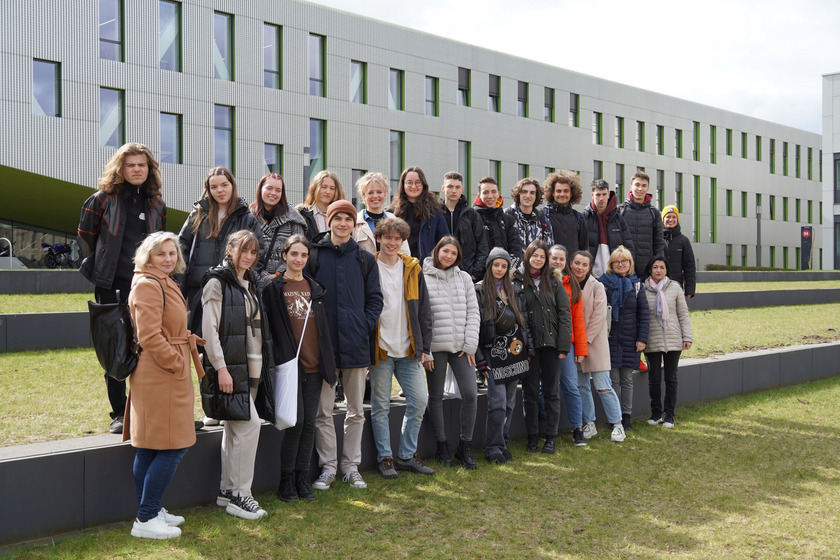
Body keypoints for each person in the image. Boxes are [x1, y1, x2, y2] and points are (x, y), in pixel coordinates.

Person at [78, 142, 167, 434]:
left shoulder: (157, 204)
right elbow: (86, 237)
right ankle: (119, 413)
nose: (137, 170)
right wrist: (102, 266)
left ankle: (149, 409)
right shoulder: (101, 200)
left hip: (148, 286)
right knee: (115, 348)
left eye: (142, 165)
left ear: (149, 169)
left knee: (149, 347)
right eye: (131, 165)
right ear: (121, 168)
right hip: (111, 286)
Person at [125, 232, 203, 539]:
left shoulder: (162, 281)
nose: (168, 258)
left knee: (150, 446)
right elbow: (149, 335)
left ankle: (151, 508)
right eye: (161, 254)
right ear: (148, 256)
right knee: (175, 444)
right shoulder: (147, 284)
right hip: (160, 372)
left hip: (164, 370)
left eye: (172, 253)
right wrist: (177, 361)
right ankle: (146, 518)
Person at [309, 200, 383, 491]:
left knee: (355, 410)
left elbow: (375, 299)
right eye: (336, 218)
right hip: (323, 346)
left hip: (355, 344)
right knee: (323, 411)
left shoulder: (365, 259)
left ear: (355, 224)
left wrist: (362, 325)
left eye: (347, 219)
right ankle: (327, 467)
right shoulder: (314, 255)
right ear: (328, 221)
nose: (342, 223)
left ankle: (350, 466)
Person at [199, 230, 269, 520]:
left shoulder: (249, 282)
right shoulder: (217, 283)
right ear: (230, 249)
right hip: (231, 369)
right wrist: (222, 369)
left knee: (235, 428)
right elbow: (209, 331)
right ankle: (242, 495)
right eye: (244, 251)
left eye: (253, 252)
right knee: (249, 426)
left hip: (249, 366)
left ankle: (227, 490)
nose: (249, 257)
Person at [263, 235, 336, 503]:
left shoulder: (315, 287)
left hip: (315, 365)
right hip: (290, 367)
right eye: (294, 254)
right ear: (284, 256)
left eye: (304, 255)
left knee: (309, 426)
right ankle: (285, 483)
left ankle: (301, 480)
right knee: (296, 423)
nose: (299, 259)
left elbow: (324, 330)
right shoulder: (274, 288)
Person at [369, 217, 434, 479]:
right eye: (388, 238)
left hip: (409, 349)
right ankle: (385, 458)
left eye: (397, 239)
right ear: (379, 238)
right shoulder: (368, 266)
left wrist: (424, 346)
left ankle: (407, 455)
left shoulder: (412, 268)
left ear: (403, 241)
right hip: (380, 349)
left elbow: (425, 311)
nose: (392, 243)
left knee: (419, 401)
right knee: (380, 407)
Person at [423, 236, 480, 469]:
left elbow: (473, 312)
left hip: (460, 349)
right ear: (437, 251)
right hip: (435, 349)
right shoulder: (422, 277)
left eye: (453, 253)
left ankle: (465, 447)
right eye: (445, 251)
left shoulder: (464, 278)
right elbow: (421, 316)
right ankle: (441, 446)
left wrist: (470, 345)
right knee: (435, 397)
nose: (449, 256)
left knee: (471, 393)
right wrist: (425, 351)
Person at [514, 241, 573, 453]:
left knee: (551, 392)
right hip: (528, 346)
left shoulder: (554, 282)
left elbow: (565, 315)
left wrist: (563, 346)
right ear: (527, 256)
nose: (538, 260)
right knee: (529, 393)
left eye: (542, 256)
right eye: (534, 255)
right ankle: (532, 437)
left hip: (551, 345)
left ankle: (551, 437)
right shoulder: (518, 282)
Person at [177, 167, 264, 305]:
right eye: (214, 187)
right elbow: (181, 249)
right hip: (198, 288)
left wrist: (243, 280)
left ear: (232, 186)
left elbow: (259, 254)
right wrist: (180, 284)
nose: (220, 190)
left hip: (232, 289)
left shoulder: (247, 218)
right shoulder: (198, 215)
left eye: (224, 185)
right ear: (209, 190)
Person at [475, 248, 529, 464]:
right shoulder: (479, 290)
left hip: (514, 351)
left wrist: (527, 350)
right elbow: (474, 325)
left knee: (510, 402)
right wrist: (479, 357)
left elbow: (523, 322)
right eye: (496, 265)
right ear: (489, 266)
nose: (499, 269)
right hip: (491, 352)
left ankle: (503, 441)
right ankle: (493, 447)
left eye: (504, 266)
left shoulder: (515, 290)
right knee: (497, 401)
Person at [569, 250, 626, 443]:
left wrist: (584, 341)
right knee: (581, 386)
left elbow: (599, 317)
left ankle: (617, 425)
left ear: (589, 267)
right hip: (574, 344)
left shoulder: (597, 286)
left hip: (594, 343)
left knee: (603, 386)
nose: (580, 267)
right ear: (571, 263)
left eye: (584, 265)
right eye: (577, 263)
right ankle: (589, 423)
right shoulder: (566, 284)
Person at [599, 246, 649, 431]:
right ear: (611, 264)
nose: (621, 264)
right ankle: (615, 417)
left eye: (624, 261)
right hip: (609, 338)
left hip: (630, 338)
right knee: (613, 380)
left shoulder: (636, 285)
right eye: (617, 261)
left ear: (630, 264)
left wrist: (641, 339)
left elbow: (644, 314)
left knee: (627, 379)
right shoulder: (602, 283)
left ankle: (626, 417)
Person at [643, 257, 693, 428]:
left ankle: (669, 415)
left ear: (666, 270)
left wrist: (687, 337)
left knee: (671, 378)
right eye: (655, 267)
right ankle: (656, 413)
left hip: (673, 339)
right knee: (654, 379)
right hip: (652, 340)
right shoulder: (643, 288)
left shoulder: (675, 287)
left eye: (662, 267)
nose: (658, 270)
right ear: (650, 269)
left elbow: (683, 314)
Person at [547, 245, 588, 447]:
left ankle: (577, 428)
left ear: (566, 263)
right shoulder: (539, 281)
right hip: (544, 343)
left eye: (561, 259)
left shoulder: (571, 283)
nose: (557, 262)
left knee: (571, 386)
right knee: (541, 388)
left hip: (567, 343)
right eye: (554, 258)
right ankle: (546, 428)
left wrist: (580, 349)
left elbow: (578, 320)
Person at [250, 173, 307, 277]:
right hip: (254, 279)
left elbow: (300, 251)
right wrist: (260, 276)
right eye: (269, 188)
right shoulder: (249, 217)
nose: (273, 193)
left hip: (286, 280)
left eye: (278, 190)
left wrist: (279, 274)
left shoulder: (293, 218)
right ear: (260, 189)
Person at [390, 166, 449, 263]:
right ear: (403, 185)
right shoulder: (392, 213)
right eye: (409, 182)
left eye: (418, 182)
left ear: (423, 185)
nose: (413, 186)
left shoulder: (434, 213)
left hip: (426, 269)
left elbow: (445, 243)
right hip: (398, 266)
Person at [440, 171, 489, 281]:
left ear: (462, 190)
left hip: (465, 274)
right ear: (443, 188)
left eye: (457, 187)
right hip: (439, 272)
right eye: (450, 186)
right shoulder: (435, 213)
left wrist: (475, 273)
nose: (454, 190)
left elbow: (482, 246)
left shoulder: (471, 214)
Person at [582, 179, 633, 278]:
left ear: (609, 194)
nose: (601, 198)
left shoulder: (619, 219)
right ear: (592, 195)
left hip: (616, 275)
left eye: (604, 194)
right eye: (598, 195)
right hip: (590, 275)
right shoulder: (584, 217)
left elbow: (629, 247)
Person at [618, 172, 665, 278]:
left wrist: (658, 266)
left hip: (646, 271)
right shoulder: (620, 210)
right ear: (631, 187)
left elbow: (659, 242)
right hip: (623, 269)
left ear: (648, 188)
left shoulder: (654, 213)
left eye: (644, 186)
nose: (640, 189)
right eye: (637, 185)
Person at [473, 176, 524, 269]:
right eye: (485, 192)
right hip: (480, 277)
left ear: (498, 194)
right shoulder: (472, 217)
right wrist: (477, 272)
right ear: (479, 195)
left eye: (493, 192)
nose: (490, 196)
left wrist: (508, 270)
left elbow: (516, 249)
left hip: (504, 276)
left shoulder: (508, 220)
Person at [353, 172, 409, 254]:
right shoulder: (355, 223)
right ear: (363, 196)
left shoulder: (395, 220)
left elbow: (405, 253)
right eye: (370, 192)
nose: (375, 196)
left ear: (385, 194)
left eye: (379, 192)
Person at [543, 171, 588, 255]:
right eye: (558, 191)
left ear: (571, 193)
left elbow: (584, 249)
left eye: (566, 191)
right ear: (552, 193)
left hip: (573, 267)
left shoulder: (579, 218)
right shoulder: (543, 216)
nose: (562, 194)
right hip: (551, 267)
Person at [505, 178, 554, 249]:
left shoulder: (543, 220)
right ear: (518, 194)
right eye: (524, 192)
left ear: (536, 196)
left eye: (532, 193)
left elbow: (549, 249)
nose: (528, 196)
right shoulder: (506, 215)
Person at [298, 170, 346, 240]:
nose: (328, 192)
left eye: (332, 188)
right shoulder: (302, 214)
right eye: (324, 187)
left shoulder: (344, 216)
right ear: (314, 188)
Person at [661, 206, 696, 298]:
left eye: (674, 217)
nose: (671, 220)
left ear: (677, 220)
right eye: (668, 217)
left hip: (676, 286)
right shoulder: (655, 239)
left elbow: (690, 267)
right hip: (657, 285)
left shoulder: (684, 241)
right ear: (662, 220)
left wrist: (690, 290)